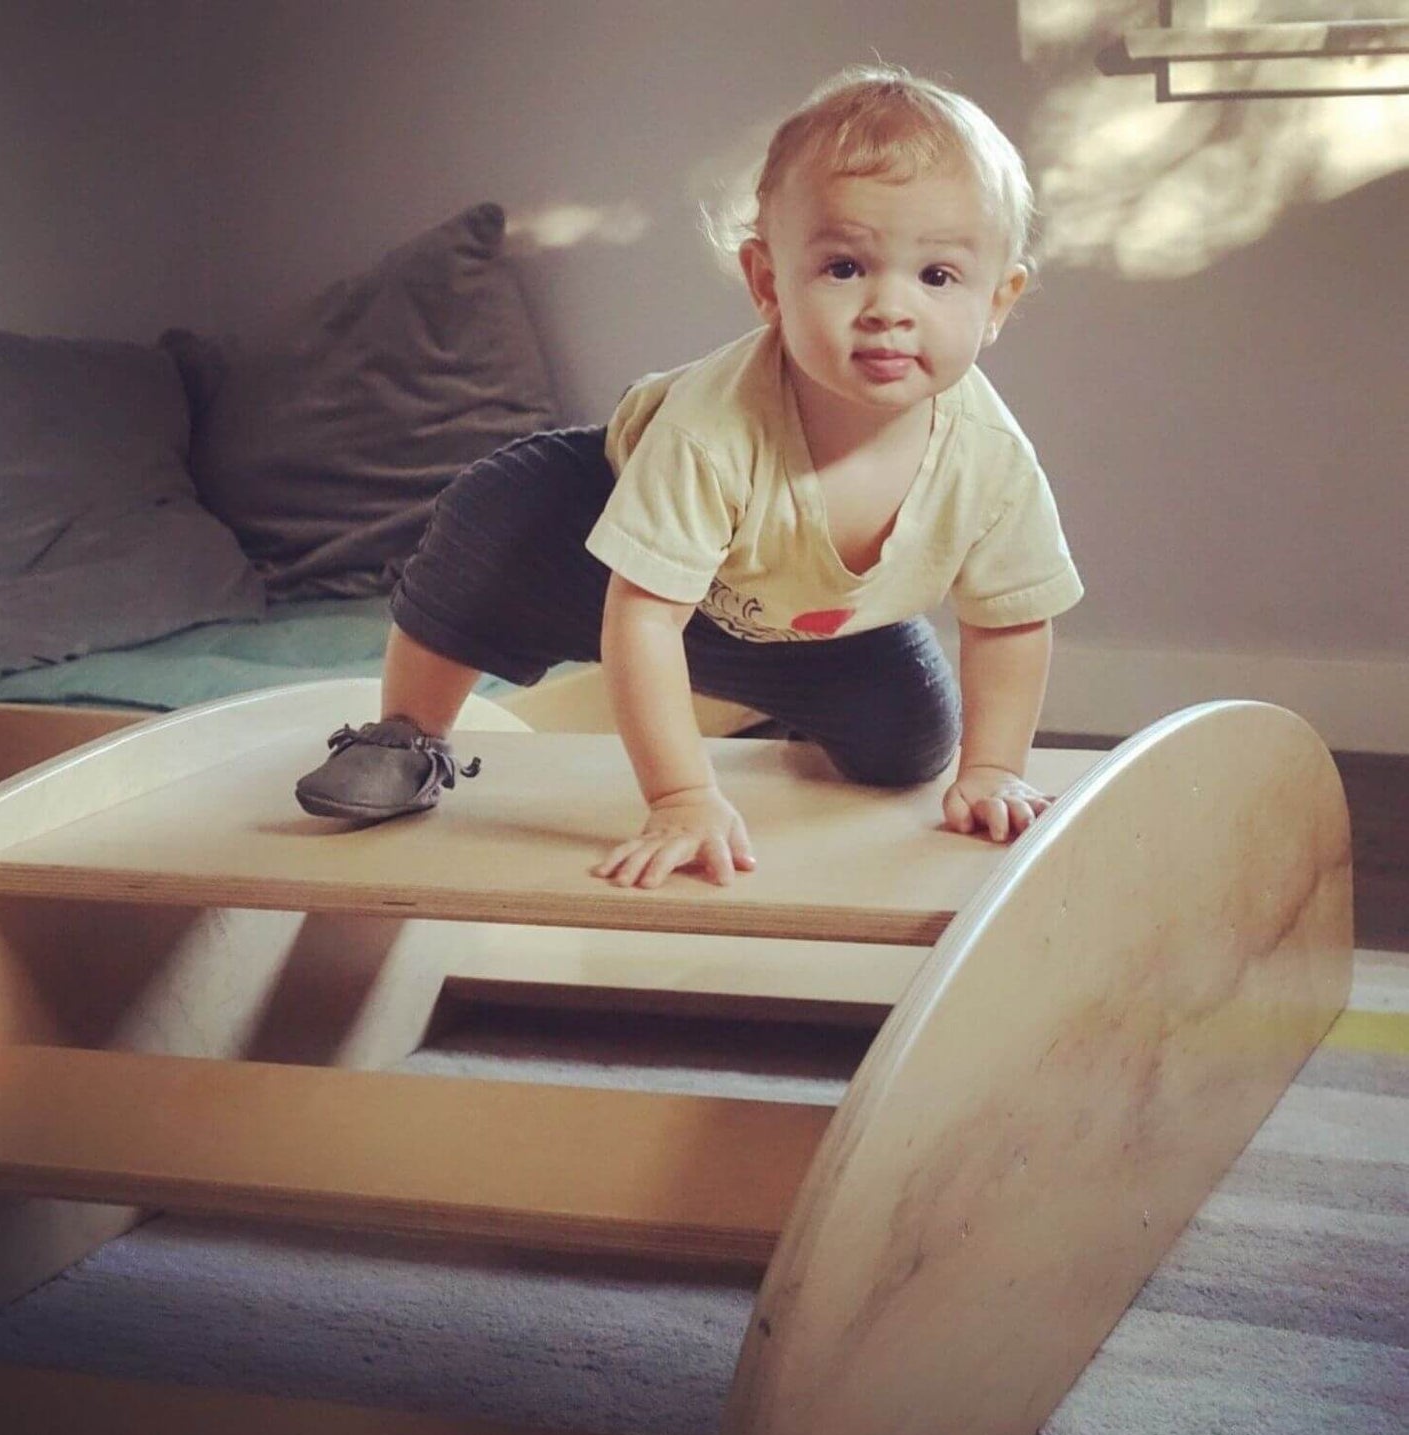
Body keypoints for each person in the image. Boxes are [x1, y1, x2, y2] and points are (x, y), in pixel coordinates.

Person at [295, 61, 1083, 890]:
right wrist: (681, 796)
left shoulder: (989, 461)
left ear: (997, 301)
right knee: (489, 515)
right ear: (766, 282)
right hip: (591, 544)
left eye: (936, 276)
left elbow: (1009, 622)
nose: (889, 307)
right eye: (845, 267)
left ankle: (777, 710)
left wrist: (992, 767)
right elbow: (641, 616)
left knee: (911, 744)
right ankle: (406, 735)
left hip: (792, 612)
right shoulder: (714, 429)